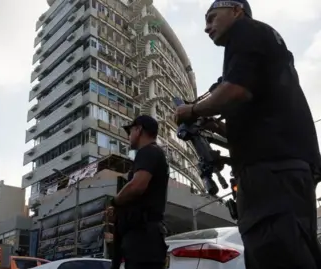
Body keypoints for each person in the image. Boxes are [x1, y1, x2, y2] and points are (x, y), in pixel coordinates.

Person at [175, 0, 321, 268]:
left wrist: (192, 110)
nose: (207, 28)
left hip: (272, 171)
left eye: (212, 18)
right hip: (285, 168)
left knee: (275, 253)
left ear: (236, 10)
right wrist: (217, 126)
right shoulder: (263, 46)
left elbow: (234, 91)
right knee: (294, 251)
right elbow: (257, 114)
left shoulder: (246, 32)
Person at [108, 115, 169, 269]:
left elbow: (137, 186)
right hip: (144, 237)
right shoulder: (152, 153)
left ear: (139, 129)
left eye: (130, 130)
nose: (129, 136)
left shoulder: (148, 152)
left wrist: (114, 202)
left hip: (144, 238)